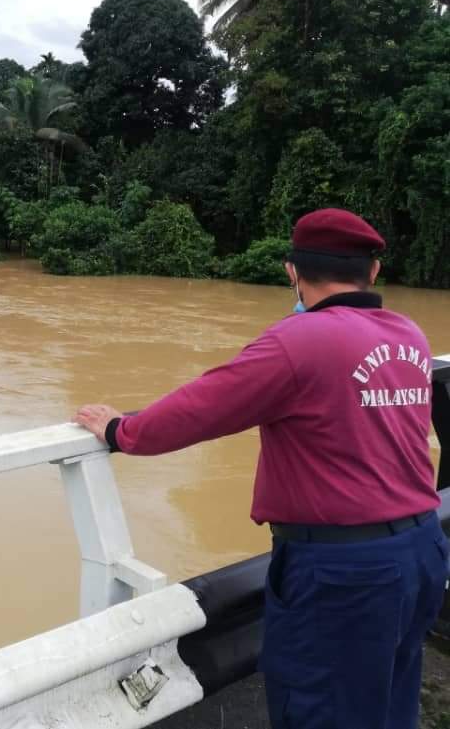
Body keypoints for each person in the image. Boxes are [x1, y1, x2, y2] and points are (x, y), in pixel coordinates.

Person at [73, 208, 449, 729]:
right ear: (374, 274)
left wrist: (119, 430)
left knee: (319, 707)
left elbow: (199, 409)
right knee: (388, 703)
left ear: (292, 270)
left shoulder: (298, 342)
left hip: (344, 573)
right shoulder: (408, 335)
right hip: (422, 551)